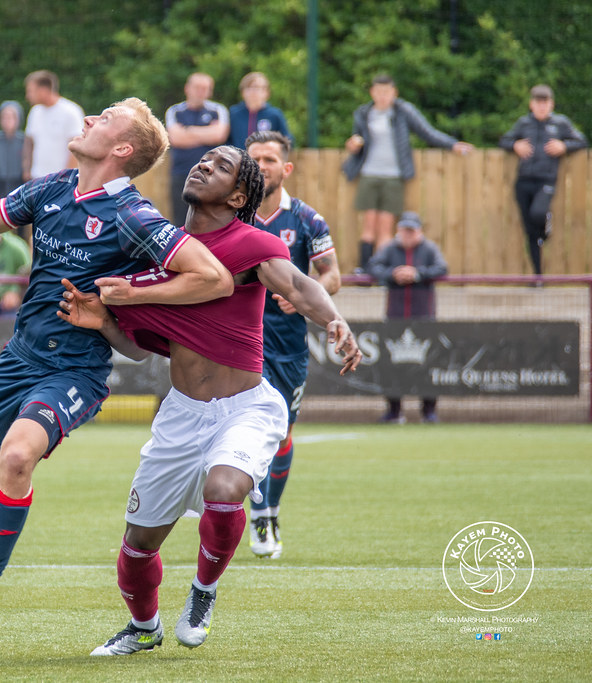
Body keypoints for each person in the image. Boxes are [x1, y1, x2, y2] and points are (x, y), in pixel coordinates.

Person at [0, 97, 235, 655]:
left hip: (75, 368)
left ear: (122, 149)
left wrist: (127, 295)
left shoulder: (134, 216)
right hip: (16, 361)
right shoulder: (51, 187)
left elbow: (214, 277)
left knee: (16, 456)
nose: (87, 120)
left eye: (103, 119)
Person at [54, 145, 361, 655]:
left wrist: (335, 320)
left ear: (239, 195)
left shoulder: (248, 242)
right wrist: (104, 321)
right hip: (180, 414)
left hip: (247, 406)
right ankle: (143, 628)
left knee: (225, 487)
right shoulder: (160, 253)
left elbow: (299, 284)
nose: (202, 165)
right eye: (204, 160)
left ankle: (203, 591)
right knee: (135, 549)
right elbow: (136, 346)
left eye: (220, 166)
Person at [244, 131, 341, 559]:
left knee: (282, 432)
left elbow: (332, 276)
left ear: (286, 168)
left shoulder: (306, 220)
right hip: (241, 342)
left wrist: (303, 293)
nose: (261, 165)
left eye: (269, 159)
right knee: (248, 426)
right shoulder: (230, 216)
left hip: (288, 345)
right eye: (255, 159)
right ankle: (254, 507)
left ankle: (268, 511)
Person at [341, 74, 472, 271]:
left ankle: (381, 270)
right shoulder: (364, 113)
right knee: (368, 224)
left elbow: (427, 132)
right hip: (369, 172)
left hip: (393, 175)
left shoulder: (403, 111)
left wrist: (452, 144)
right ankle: (364, 270)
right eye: (379, 92)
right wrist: (352, 146)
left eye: (387, 92)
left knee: (385, 226)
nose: (383, 96)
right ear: (372, 93)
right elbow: (357, 139)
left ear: (394, 93)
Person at [366, 211, 447, 424]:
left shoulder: (429, 249)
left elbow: (441, 269)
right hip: (395, 316)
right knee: (392, 366)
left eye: (412, 231)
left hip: (424, 316)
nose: (408, 235)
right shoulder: (390, 249)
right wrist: (394, 274)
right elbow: (373, 267)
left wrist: (417, 274)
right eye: (404, 230)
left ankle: (428, 411)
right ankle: (394, 411)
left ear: (419, 231)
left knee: (427, 365)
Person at [499, 84, 588, 277]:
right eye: (538, 103)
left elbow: (581, 141)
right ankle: (537, 276)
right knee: (530, 232)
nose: (541, 107)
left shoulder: (560, 123)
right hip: (524, 180)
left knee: (539, 213)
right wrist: (515, 145)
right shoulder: (524, 124)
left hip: (545, 180)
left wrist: (564, 146)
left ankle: (546, 227)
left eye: (545, 103)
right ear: (532, 104)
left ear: (551, 104)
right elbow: (504, 141)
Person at [165, 72, 230, 223]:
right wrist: (206, 132)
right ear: (187, 88)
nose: (201, 91)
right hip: (182, 174)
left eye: (205, 88)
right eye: (197, 87)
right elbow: (175, 138)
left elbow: (219, 135)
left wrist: (188, 131)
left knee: (212, 219)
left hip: (213, 175)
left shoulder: (218, 110)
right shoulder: (175, 111)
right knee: (182, 221)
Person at [21, 70, 85, 180]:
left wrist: (65, 179)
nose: (27, 96)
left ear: (43, 90)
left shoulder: (71, 112)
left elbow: (77, 148)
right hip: (37, 180)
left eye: (30, 91)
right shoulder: (35, 112)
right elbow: (29, 142)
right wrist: (27, 170)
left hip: (60, 181)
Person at [228, 72, 292, 149]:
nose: (253, 92)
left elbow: (287, 140)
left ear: (266, 92)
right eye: (249, 88)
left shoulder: (274, 114)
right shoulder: (234, 113)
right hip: (239, 159)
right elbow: (227, 140)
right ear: (242, 92)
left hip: (264, 158)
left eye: (257, 88)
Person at [0, 100, 26, 201]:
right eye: (4, 117)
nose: (7, 120)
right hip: (0, 186)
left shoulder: (24, 140)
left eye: (10, 117)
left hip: (20, 185)